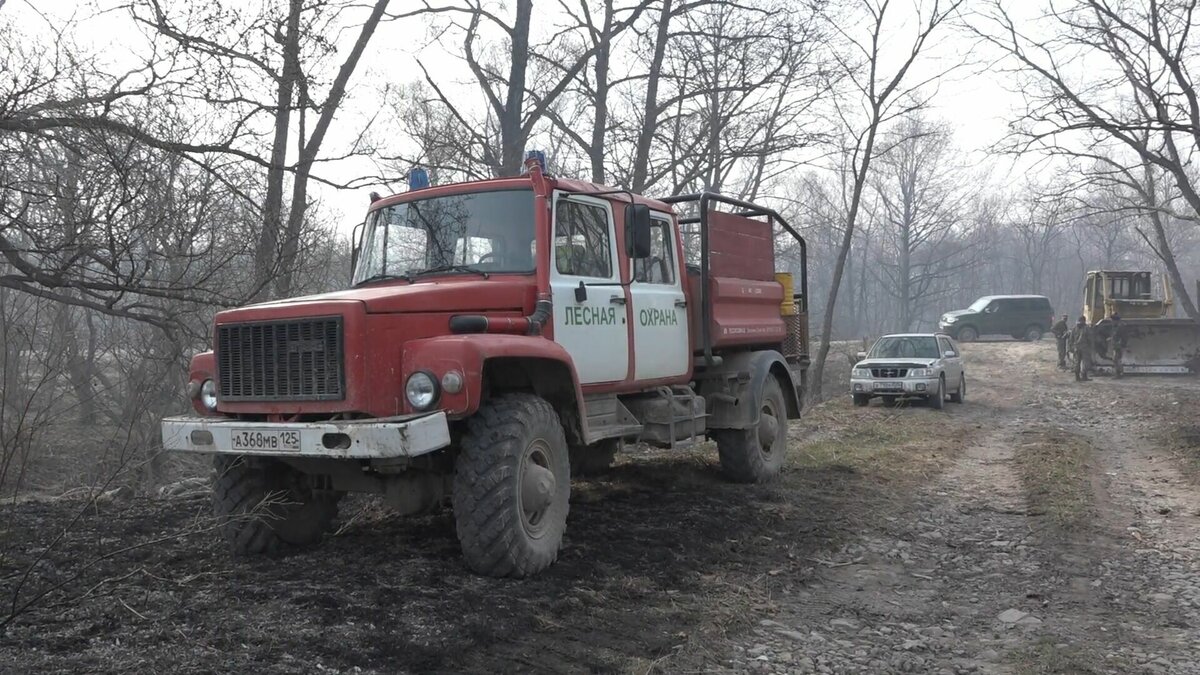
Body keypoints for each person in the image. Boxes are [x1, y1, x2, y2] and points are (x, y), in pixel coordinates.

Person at [1069, 315, 1094, 382]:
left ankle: (1077, 377)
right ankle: (1084, 376)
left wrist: (1071, 347)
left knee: (1077, 362)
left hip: (1076, 348)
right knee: (1085, 363)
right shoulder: (1086, 328)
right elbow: (1090, 338)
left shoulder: (1074, 328)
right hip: (1084, 348)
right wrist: (1091, 346)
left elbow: (1071, 339)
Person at [1109, 313, 1127, 378]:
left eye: (1112, 320)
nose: (1111, 322)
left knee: (1116, 359)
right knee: (1116, 359)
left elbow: (1122, 337)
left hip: (1118, 346)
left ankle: (1119, 373)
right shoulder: (1117, 326)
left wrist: (1121, 344)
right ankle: (1119, 373)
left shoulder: (1120, 327)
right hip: (1116, 345)